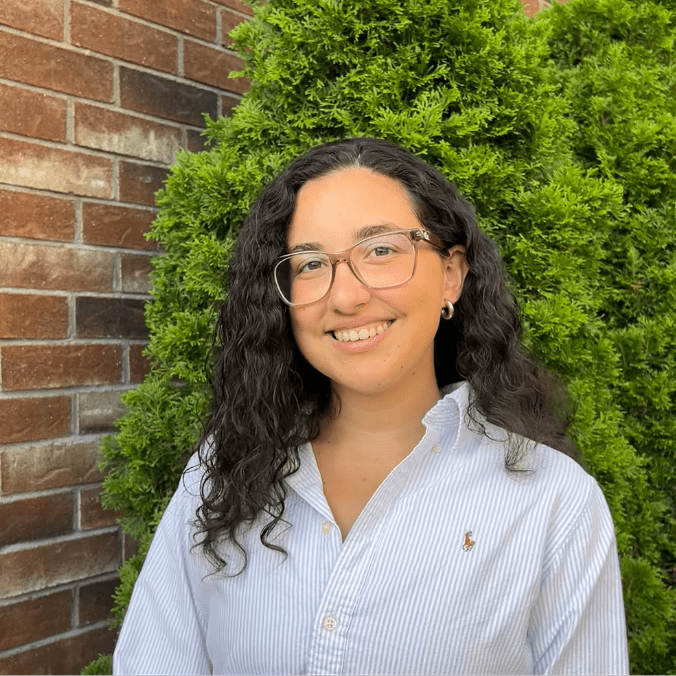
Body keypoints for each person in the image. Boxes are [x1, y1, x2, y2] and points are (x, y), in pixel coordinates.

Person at [113, 138, 629, 674]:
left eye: (380, 250)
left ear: (451, 273)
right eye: (311, 263)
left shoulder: (553, 502)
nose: (346, 296)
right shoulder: (221, 471)